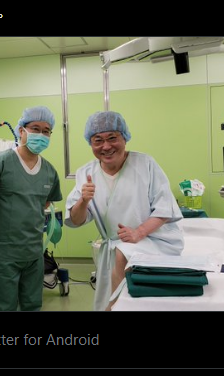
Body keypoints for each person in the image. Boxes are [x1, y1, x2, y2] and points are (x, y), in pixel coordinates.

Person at [65, 111, 184, 311]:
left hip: (155, 239)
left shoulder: (145, 164)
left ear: (124, 138)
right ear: (90, 143)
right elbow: (75, 220)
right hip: (114, 248)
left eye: (112, 138)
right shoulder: (86, 173)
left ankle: (115, 306)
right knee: (118, 261)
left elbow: (164, 209)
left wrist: (139, 232)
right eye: (98, 140)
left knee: (122, 255)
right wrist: (83, 201)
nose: (106, 146)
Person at [0, 106, 62, 311]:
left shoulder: (49, 171)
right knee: (3, 306)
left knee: (32, 304)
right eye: (35, 129)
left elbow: (44, 204)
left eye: (46, 131)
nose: (41, 134)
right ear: (21, 130)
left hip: (33, 251)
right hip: (2, 253)